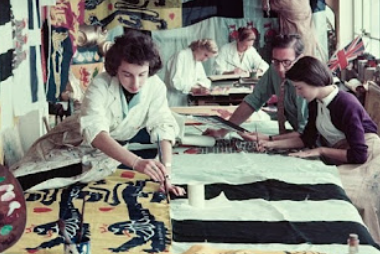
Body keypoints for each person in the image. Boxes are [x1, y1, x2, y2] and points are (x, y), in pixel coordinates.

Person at [16, 30, 183, 193]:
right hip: (69, 143)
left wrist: (166, 174)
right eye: (127, 75)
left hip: (107, 154)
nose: (136, 83)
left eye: (142, 74)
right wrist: (136, 162)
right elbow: (95, 132)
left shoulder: (155, 87)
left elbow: (163, 126)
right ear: (116, 68)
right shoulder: (100, 84)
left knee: (77, 180)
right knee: (26, 180)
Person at [256, 57, 379, 240]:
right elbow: (307, 138)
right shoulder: (316, 102)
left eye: (299, 87)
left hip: (369, 155)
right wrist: (270, 144)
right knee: (315, 183)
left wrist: (321, 151)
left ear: (314, 81)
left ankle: (367, 245)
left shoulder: (346, 102)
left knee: (338, 192)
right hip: (344, 154)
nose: (297, 93)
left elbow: (359, 154)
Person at [220, 32, 310, 139]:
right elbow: (253, 100)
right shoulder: (273, 69)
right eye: (276, 62)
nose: (280, 69)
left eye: (287, 62)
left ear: (300, 59)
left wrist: (269, 139)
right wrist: (223, 131)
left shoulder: (307, 81)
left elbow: (306, 133)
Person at [258, 0, 326, 62]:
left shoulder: (285, 0)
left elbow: (266, 5)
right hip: (308, 38)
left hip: (294, 42)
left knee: (295, 68)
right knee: (307, 67)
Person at [163, 39, 217, 107]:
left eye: (208, 58)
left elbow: (205, 81)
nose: (204, 60)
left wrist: (201, 87)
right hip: (173, 100)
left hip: (186, 101)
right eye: (205, 55)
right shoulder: (181, 55)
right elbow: (175, 82)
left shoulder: (197, 61)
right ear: (199, 47)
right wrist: (194, 88)